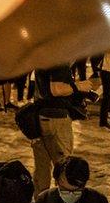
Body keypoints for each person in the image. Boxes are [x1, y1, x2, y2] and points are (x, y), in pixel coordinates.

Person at [32, 64, 90, 195]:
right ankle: (61, 202)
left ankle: (41, 202)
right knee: (64, 165)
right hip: (57, 119)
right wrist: (79, 86)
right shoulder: (59, 59)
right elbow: (56, 89)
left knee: (42, 167)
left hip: (41, 116)